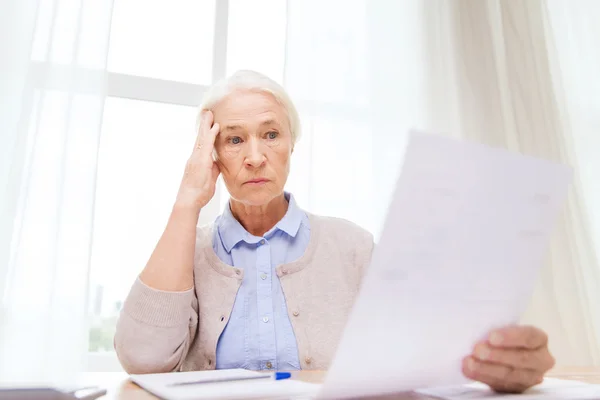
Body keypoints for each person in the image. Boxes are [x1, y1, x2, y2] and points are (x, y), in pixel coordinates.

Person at [114, 70, 555, 393]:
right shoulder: (186, 251)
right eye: (233, 140)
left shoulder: (353, 246)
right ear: (209, 155)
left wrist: (496, 358)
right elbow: (143, 360)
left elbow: (429, 348)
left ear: (291, 145)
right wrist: (187, 200)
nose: (254, 156)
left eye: (270, 134)